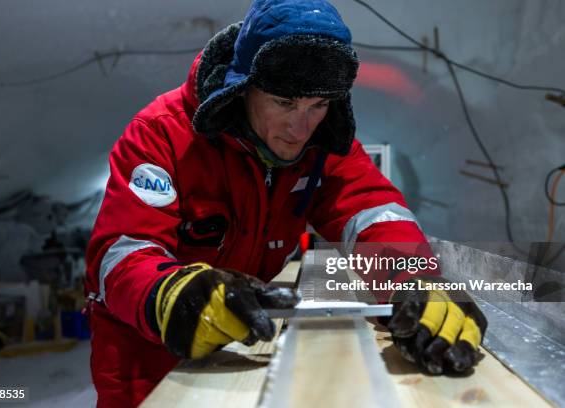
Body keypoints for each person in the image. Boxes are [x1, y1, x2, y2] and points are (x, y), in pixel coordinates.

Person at [84, 0, 488, 406]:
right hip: (152, 360)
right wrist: (172, 296)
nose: (301, 127)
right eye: (285, 103)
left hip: (245, 349)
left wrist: (413, 279)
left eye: (318, 105)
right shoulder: (162, 135)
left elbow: (370, 210)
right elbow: (123, 253)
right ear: (241, 88)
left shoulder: (322, 142)